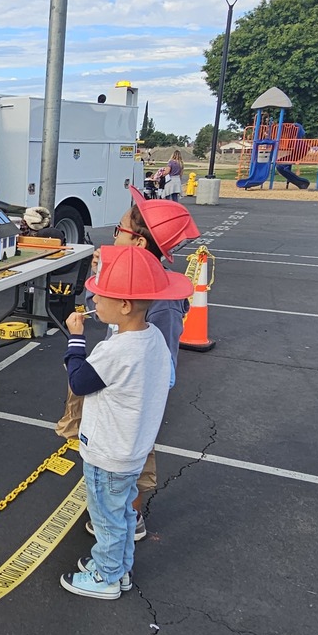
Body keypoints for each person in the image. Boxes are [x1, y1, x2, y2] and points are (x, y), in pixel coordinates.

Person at [54, 187, 200, 539]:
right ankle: (114, 510)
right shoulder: (136, 286)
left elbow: (157, 360)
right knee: (117, 455)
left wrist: (99, 364)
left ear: (137, 244)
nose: (114, 234)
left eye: (119, 229)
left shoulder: (158, 305)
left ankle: (128, 519)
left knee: (134, 457)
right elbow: (104, 307)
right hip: (115, 377)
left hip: (129, 393)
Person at [59, 245, 194, 599]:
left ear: (124, 305)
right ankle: (119, 570)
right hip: (132, 451)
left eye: (99, 296)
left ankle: (105, 577)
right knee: (120, 515)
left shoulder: (116, 350)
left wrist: (75, 340)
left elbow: (79, 381)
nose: (93, 301)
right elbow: (165, 381)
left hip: (107, 454)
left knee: (106, 518)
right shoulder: (153, 340)